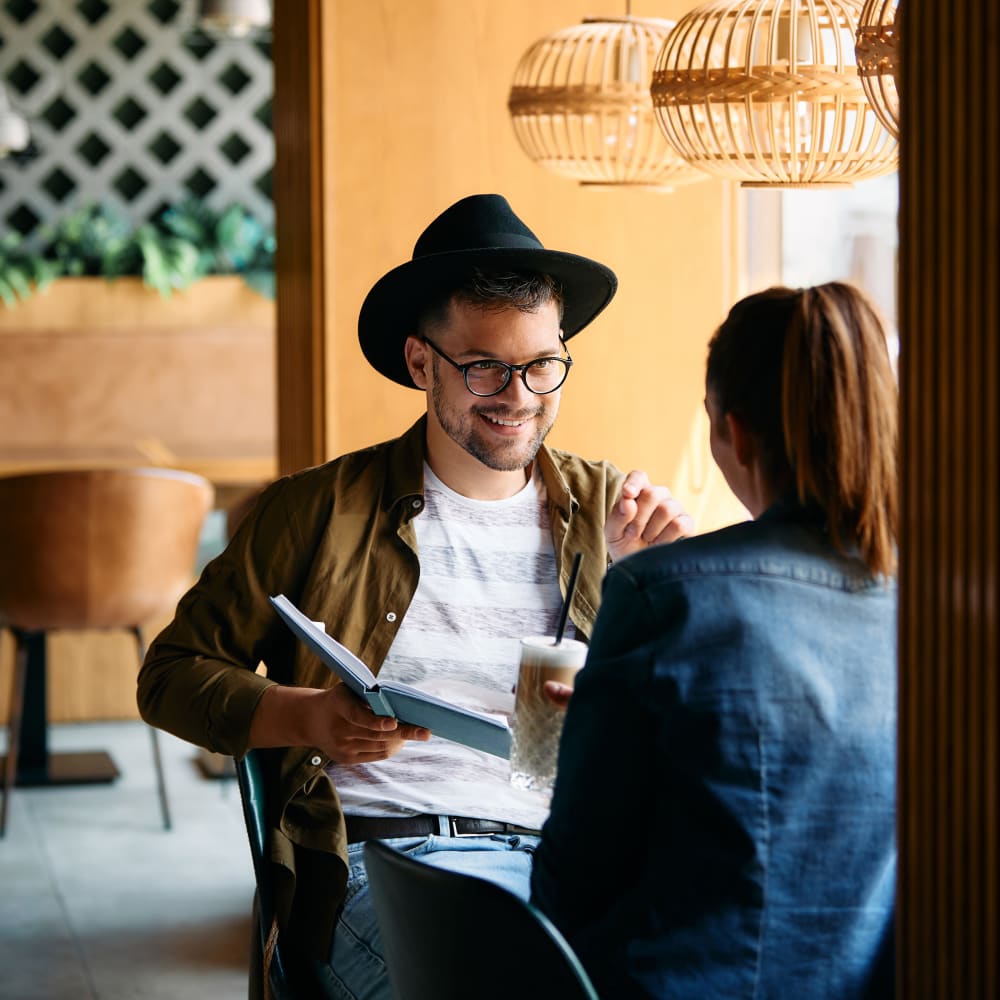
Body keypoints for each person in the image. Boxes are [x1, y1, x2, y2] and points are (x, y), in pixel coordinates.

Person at [137, 192, 693, 997]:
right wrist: (307, 715)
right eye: (483, 368)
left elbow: (644, 744)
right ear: (421, 362)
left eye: (541, 364)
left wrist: (658, 598)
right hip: (383, 868)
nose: (519, 396)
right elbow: (171, 675)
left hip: (561, 861)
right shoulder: (318, 511)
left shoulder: (609, 513)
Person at [531, 282, 898, 999]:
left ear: (735, 431)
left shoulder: (661, 594)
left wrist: (589, 743)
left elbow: (570, 886)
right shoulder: (947, 609)